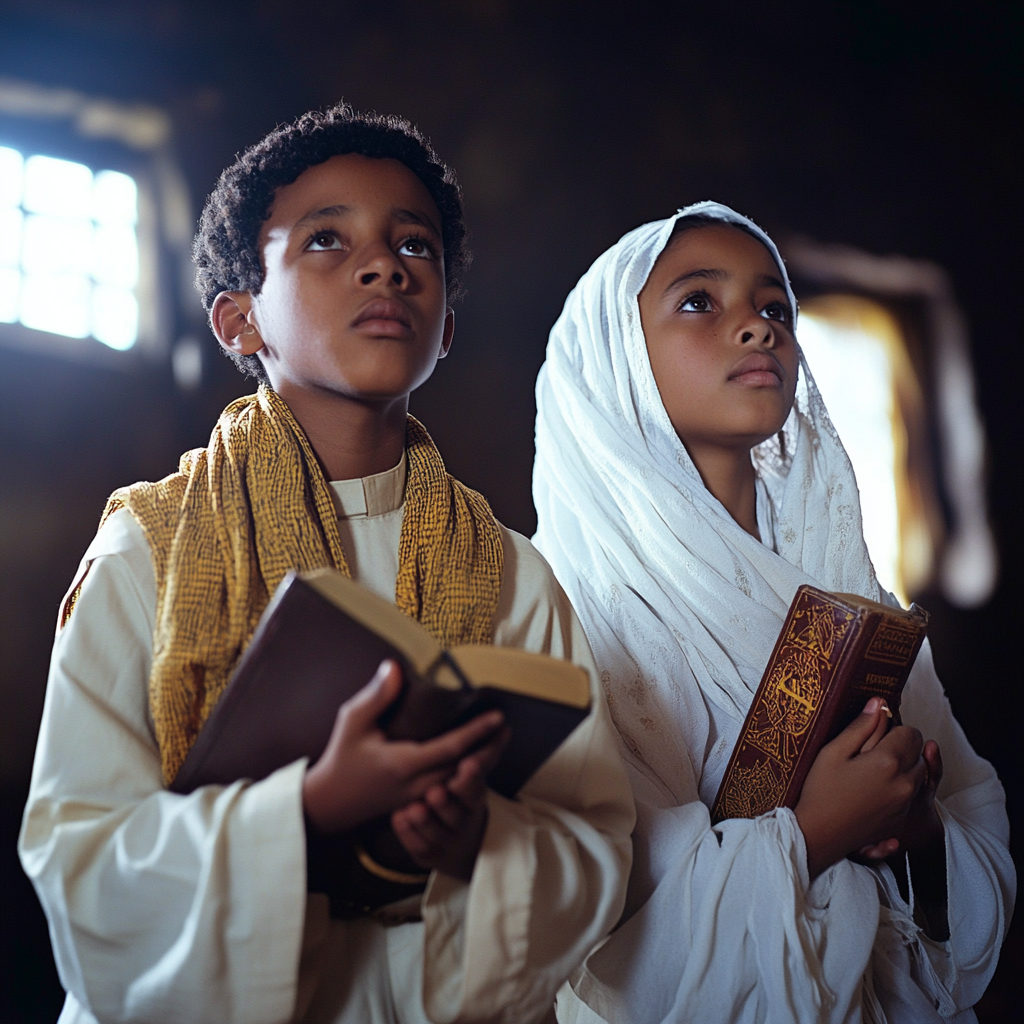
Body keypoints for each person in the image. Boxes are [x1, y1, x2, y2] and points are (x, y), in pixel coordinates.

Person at [19, 104, 634, 1024]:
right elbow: (83, 854)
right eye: (325, 240)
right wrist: (302, 813)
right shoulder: (150, 546)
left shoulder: (513, 573)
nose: (384, 265)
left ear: (447, 332)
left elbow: (592, 840)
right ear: (239, 321)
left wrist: (475, 837)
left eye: (414, 247)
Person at [532, 202, 1014, 1023]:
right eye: (698, 301)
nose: (757, 328)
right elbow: (616, 947)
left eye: (774, 307)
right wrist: (818, 830)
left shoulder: (839, 591)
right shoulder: (571, 611)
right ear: (612, 356)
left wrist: (912, 823)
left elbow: (973, 832)